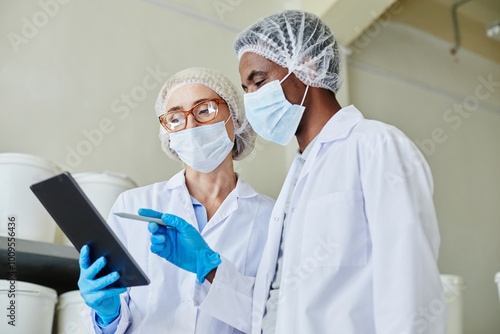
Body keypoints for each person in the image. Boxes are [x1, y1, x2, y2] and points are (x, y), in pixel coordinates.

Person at [140, 10, 446, 334]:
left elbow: (409, 289)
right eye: (247, 88)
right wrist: (209, 267)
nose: (253, 99)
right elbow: (271, 313)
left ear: (307, 66)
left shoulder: (374, 146)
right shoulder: (298, 178)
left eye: (259, 81)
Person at [78, 67, 275, 333]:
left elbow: (276, 318)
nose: (190, 125)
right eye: (175, 118)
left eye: (204, 110)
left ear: (236, 117)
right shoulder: (132, 206)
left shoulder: (273, 218)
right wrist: (106, 314)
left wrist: (211, 269)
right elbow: (110, 320)